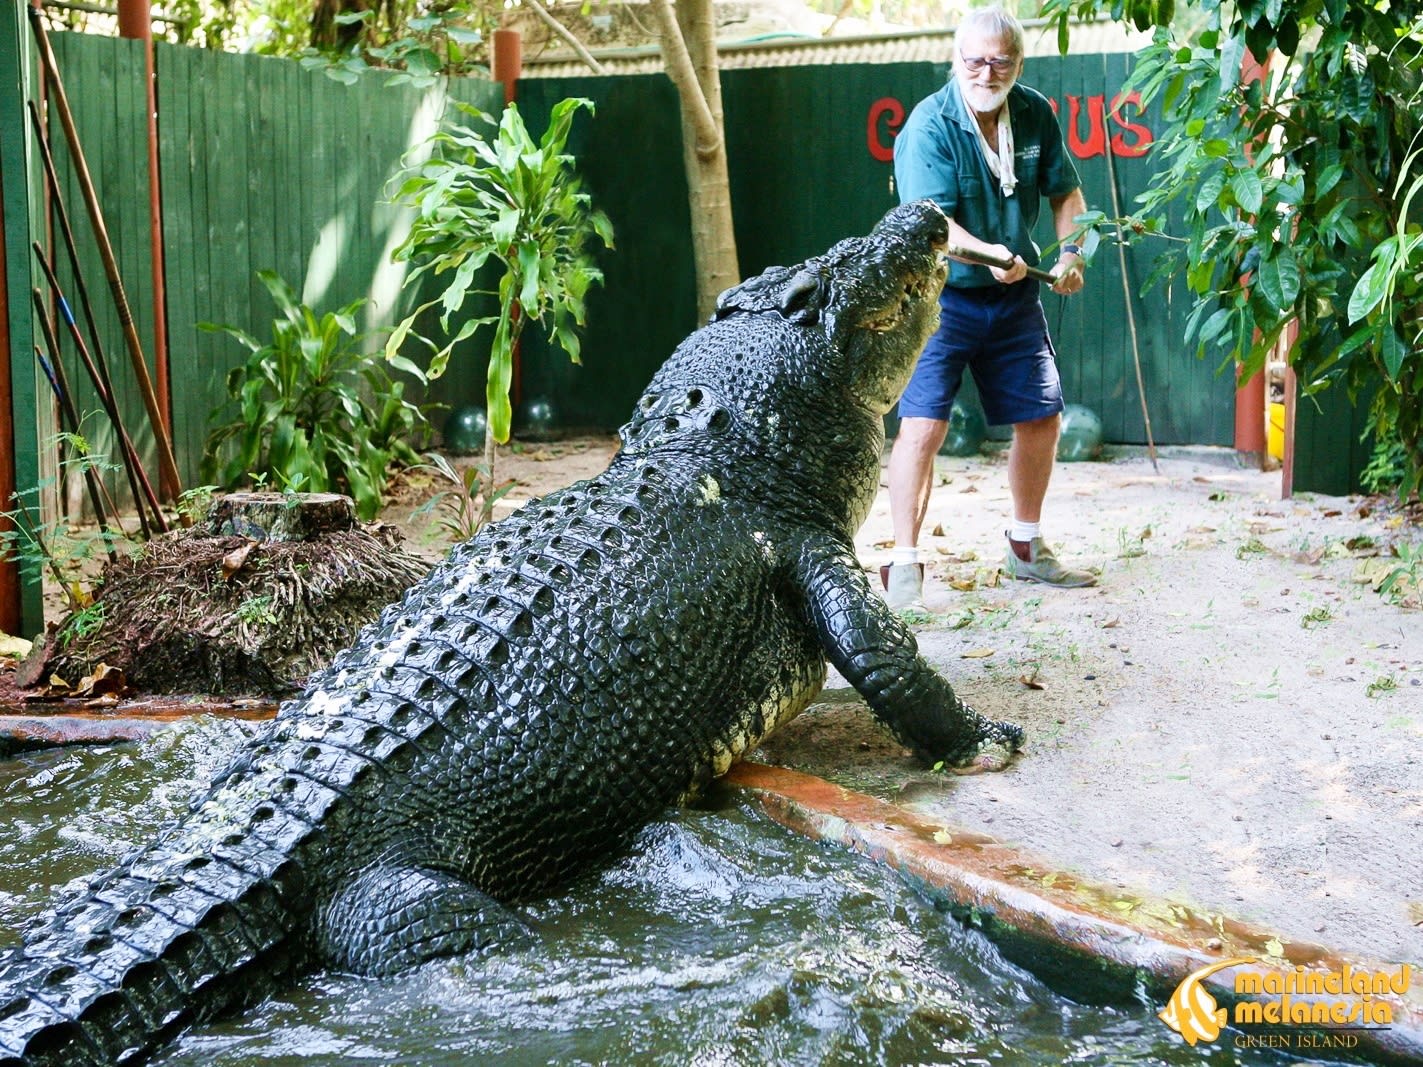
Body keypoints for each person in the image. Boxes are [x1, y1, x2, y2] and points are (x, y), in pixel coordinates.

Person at [885, 5, 1095, 612]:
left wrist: (1074, 251)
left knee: (1041, 416)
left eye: (999, 61)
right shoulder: (930, 125)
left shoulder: (1033, 111)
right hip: (938, 299)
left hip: (1016, 294)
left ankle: (1025, 548)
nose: (986, 71)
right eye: (974, 60)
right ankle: (904, 565)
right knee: (923, 426)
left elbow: (1068, 194)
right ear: (957, 60)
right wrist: (990, 253)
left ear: (1017, 63)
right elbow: (932, 225)